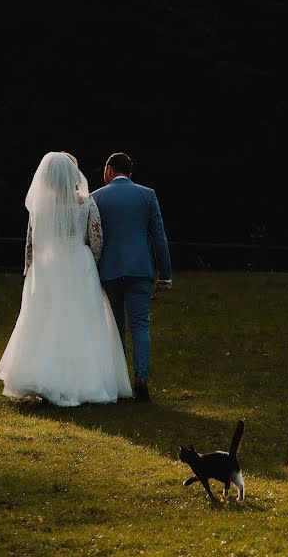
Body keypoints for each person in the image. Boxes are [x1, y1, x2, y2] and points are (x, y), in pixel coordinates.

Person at [0, 152, 132, 406]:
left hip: (48, 266)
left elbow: (30, 244)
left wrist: (31, 270)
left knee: (47, 321)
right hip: (79, 263)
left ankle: (45, 378)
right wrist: (91, 260)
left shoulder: (40, 206)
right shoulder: (86, 202)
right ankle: (85, 381)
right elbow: (97, 239)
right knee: (84, 320)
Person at [91, 152, 172, 402]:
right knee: (140, 326)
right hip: (139, 269)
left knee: (115, 329)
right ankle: (141, 379)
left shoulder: (96, 198)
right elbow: (159, 236)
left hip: (110, 270)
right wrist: (165, 273)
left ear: (109, 170)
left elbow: (93, 239)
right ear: (130, 173)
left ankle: (119, 383)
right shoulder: (147, 195)